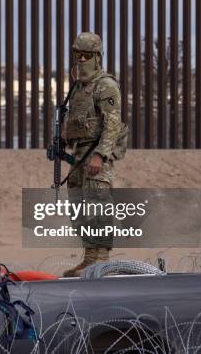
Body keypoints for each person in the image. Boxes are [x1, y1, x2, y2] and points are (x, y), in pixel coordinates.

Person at [61, 32, 128, 277]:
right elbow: (75, 118)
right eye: (77, 54)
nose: (81, 60)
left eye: (86, 55)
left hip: (97, 154)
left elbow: (112, 123)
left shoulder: (105, 85)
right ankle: (89, 257)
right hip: (79, 154)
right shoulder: (79, 88)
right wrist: (62, 137)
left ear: (97, 56)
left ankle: (102, 260)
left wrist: (101, 154)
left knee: (98, 206)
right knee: (77, 206)